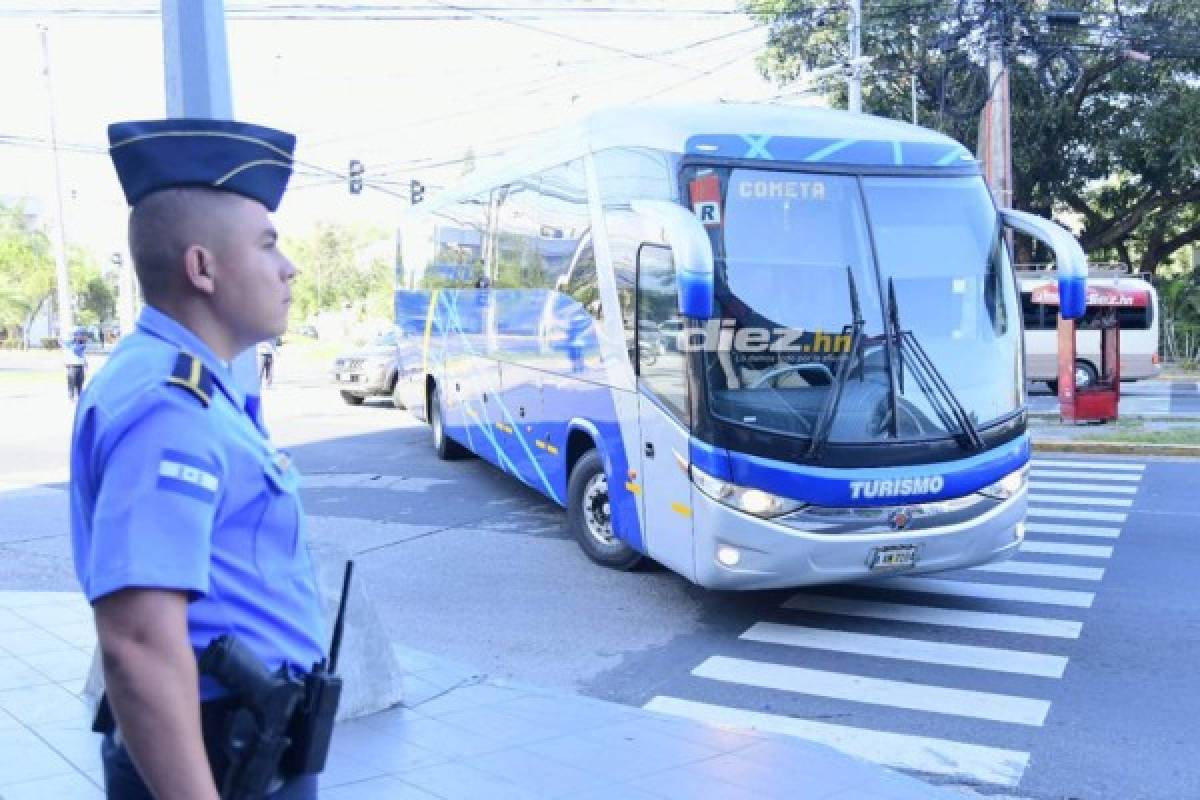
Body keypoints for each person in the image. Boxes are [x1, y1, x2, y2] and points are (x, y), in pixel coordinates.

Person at [69, 118, 330, 800]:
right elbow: (137, 641)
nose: (288, 267)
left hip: (244, 741)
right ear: (203, 267)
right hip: (220, 757)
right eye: (268, 244)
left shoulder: (192, 385)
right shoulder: (168, 405)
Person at [65, 327, 89, 401]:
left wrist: (85, 362)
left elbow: (83, 355)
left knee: (80, 382)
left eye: (83, 335)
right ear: (76, 335)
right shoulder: (70, 344)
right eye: (81, 335)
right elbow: (73, 351)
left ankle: (79, 397)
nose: (83, 337)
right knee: (72, 382)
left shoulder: (82, 345)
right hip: (72, 366)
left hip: (80, 366)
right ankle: (71, 397)